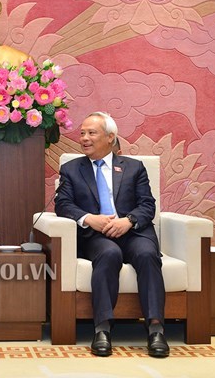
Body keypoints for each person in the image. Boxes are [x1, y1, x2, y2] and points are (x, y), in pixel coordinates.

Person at [55, 112, 169, 358]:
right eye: (82, 133)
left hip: (132, 231)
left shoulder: (134, 168)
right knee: (109, 254)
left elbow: (148, 205)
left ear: (110, 137)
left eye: (91, 133)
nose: (84, 138)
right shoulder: (71, 169)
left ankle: (156, 329)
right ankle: (102, 328)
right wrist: (89, 219)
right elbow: (62, 204)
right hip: (96, 236)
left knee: (148, 254)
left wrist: (128, 221)